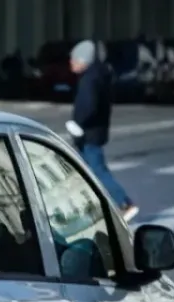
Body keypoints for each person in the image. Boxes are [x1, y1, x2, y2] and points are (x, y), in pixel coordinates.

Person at [67, 39, 138, 221]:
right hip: (94, 132)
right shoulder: (96, 76)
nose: (71, 63)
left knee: (97, 171)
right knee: (86, 173)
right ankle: (92, 210)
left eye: (74, 60)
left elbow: (88, 105)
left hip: (89, 133)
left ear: (83, 60)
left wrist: (78, 123)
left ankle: (124, 203)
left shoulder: (90, 79)